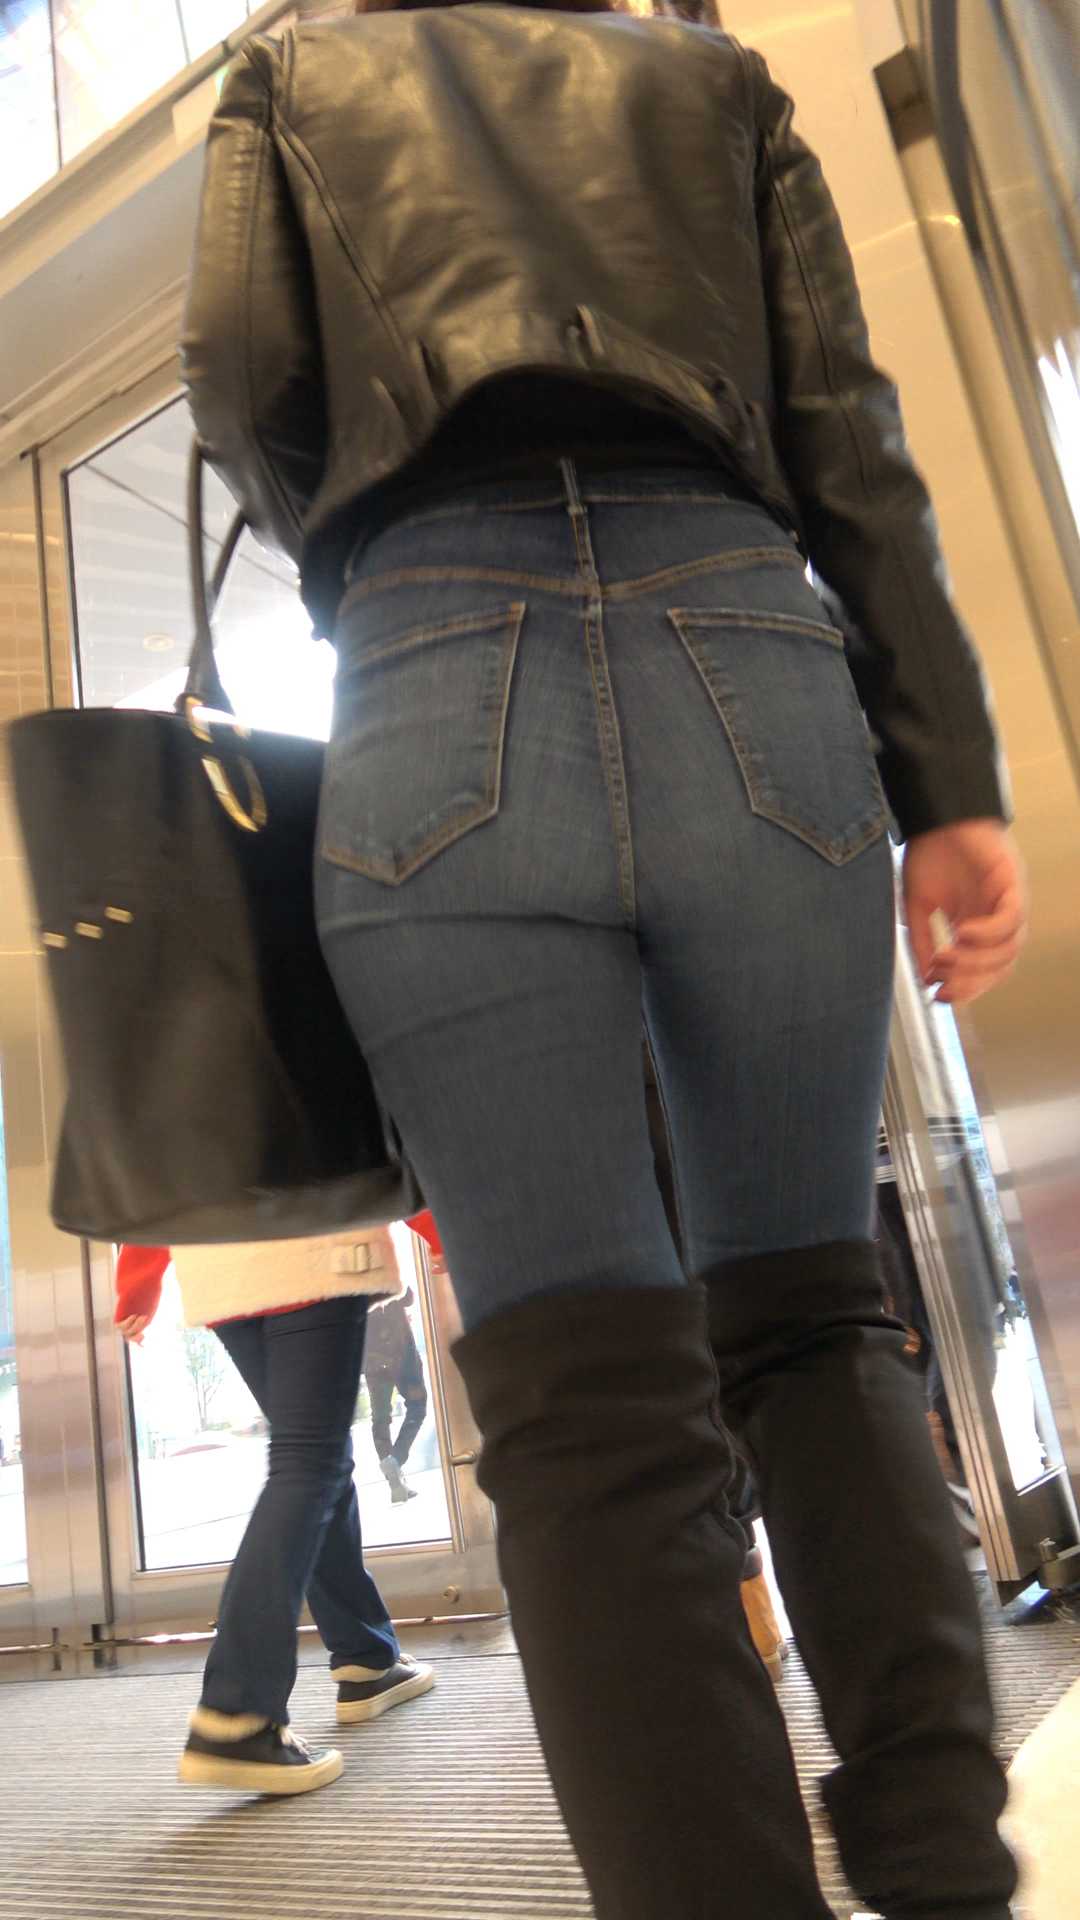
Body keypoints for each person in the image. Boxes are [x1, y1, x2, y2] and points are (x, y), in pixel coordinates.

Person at [182, 4, 1026, 1912]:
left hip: (434, 670)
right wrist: (949, 781)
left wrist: (377, 566)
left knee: (582, 1407)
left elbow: (237, 379)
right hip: (747, 652)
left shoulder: (293, 73)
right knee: (812, 1313)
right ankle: (942, 1875)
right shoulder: (715, 84)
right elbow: (850, 440)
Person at [115, 1230, 434, 1794]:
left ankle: (365, 1654)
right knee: (309, 1461)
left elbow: (159, 1174)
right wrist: (442, 1225)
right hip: (312, 1251)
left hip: (222, 1271)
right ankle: (238, 1711)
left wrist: (138, 1279)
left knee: (318, 1456)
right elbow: (377, 1163)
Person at [363, 1285, 429, 1502]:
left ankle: (395, 1483)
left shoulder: (352, 1286)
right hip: (402, 1356)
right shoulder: (387, 1275)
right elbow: (408, 1298)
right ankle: (396, 1460)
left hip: (373, 1361)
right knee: (417, 1407)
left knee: (380, 1419)